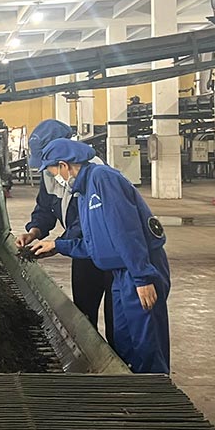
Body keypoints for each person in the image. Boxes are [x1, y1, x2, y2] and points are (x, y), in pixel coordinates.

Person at [28, 138, 171, 374]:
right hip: (120, 273)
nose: (54, 178)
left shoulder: (103, 179)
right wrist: (58, 246)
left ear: (64, 165)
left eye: (53, 172)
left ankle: (155, 389)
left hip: (137, 268)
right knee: (124, 341)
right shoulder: (83, 192)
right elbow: (95, 243)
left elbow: (127, 232)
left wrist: (142, 277)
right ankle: (131, 387)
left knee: (147, 343)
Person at [15, 120, 114, 345]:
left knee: (116, 317)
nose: (48, 170)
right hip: (80, 252)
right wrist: (34, 231)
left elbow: (86, 222)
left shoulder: (95, 173)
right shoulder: (51, 172)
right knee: (84, 311)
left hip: (106, 252)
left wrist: (58, 244)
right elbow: (45, 207)